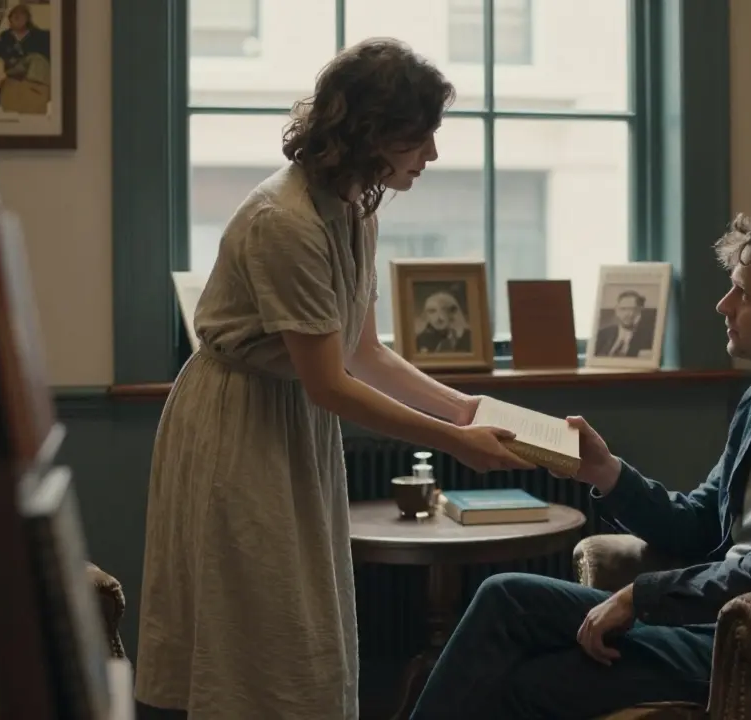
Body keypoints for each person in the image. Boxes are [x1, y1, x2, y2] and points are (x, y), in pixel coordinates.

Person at [133, 39, 534, 720]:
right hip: (240, 422)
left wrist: (464, 408)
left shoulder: (355, 208)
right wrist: (452, 441)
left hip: (291, 417)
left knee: (302, 622)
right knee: (255, 624)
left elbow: (365, 353)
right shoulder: (284, 221)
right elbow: (330, 384)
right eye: (421, 135)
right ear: (372, 132)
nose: (431, 156)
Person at [409, 210, 751, 719]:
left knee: (533, 683)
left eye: (744, 293)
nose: (722, 305)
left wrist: (642, 595)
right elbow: (699, 522)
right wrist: (603, 471)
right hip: (718, 621)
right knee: (506, 597)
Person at [592, 289, 654, 357]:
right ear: (616, 311)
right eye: (623, 309)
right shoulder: (602, 334)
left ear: (640, 311)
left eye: (633, 309)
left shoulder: (650, 338)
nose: (628, 314)